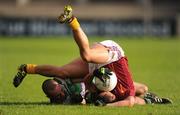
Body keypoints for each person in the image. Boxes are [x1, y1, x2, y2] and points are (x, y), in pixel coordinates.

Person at [13, 5, 172, 106]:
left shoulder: (100, 92)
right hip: (113, 57)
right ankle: (72, 21)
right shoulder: (116, 92)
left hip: (106, 70)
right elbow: (128, 101)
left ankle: (27, 68)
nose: (106, 97)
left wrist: (86, 93)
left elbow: (89, 82)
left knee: (142, 89)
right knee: (83, 59)